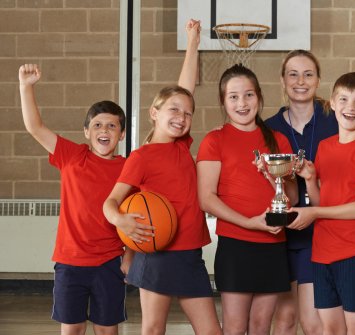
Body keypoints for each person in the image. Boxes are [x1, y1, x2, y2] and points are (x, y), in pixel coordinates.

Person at [103, 19, 222, 335]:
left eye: (187, 114)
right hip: (156, 254)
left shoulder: (183, 145)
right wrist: (121, 221)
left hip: (190, 254)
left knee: (211, 330)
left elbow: (186, 89)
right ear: (155, 113)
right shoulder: (141, 157)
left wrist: (193, 43)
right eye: (173, 110)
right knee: (154, 329)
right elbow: (111, 202)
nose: (181, 117)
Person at [19, 63, 129, 335]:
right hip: (70, 262)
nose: (105, 130)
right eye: (98, 125)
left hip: (110, 261)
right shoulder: (72, 155)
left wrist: (131, 257)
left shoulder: (129, 168)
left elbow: (139, 216)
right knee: (73, 329)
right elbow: (35, 127)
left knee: (107, 330)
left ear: (122, 134)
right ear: (87, 132)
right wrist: (26, 87)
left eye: (112, 125)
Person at [196, 63, 298, 335]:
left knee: (261, 326)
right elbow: (206, 198)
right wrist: (250, 223)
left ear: (259, 97)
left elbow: (292, 197)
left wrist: (272, 179)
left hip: (273, 243)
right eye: (233, 96)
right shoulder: (214, 140)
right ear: (223, 101)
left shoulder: (278, 141)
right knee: (235, 327)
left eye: (249, 95)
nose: (242, 103)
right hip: (236, 246)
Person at [288, 72, 355, 335]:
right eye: (343, 99)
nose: (350, 108)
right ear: (332, 103)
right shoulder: (325, 146)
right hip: (322, 253)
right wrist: (310, 180)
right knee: (330, 330)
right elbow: (322, 200)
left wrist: (314, 211)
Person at [265, 49, 338, 335]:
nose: (300, 81)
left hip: (318, 232)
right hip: (281, 233)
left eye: (308, 74)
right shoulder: (269, 128)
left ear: (318, 80)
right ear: (283, 81)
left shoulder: (334, 120)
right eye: (292, 74)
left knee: (313, 322)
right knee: (284, 320)